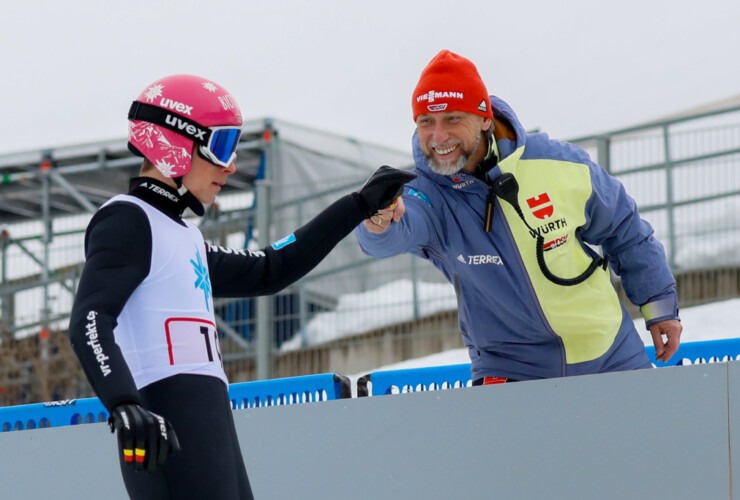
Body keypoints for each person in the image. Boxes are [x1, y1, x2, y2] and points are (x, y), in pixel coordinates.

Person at [68, 74, 414, 499]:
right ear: (175, 143)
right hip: (166, 419)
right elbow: (89, 318)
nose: (230, 166)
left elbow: (272, 267)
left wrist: (359, 204)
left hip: (205, 415)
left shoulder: (182, 234)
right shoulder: (127, 219)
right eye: (223, 146)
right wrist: (125, 404)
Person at [355, 50, 682, 386]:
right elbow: (395, 233)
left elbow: (624, 228)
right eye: (427, 121)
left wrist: (658, 306)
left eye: (452, 118)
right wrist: (377, 222)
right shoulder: (425, 193)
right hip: (511, 371)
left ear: (484, 118)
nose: (438, 136)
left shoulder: (558, 163)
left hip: (611, 354)